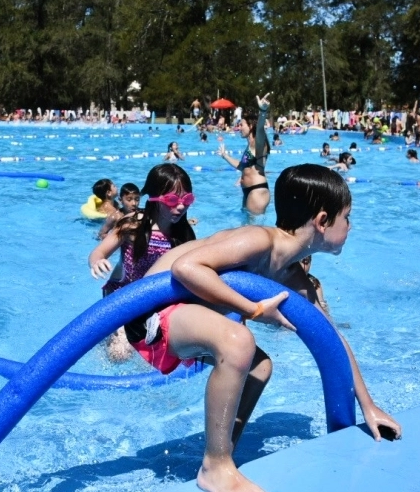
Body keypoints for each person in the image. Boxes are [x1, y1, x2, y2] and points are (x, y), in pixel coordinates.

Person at [130, 164, 400, 492]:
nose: (351, 226)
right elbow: (187, 268)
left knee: (260, 367)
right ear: (323, 221)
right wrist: (253, 309)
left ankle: (220, 452)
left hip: (181, 316)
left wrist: (368, 405)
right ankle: (216, 466)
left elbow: (331, 339)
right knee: (238, 340)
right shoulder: (257, 239)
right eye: (347, 217)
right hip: (148, 315)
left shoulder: (292, 275)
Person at [88, 165, 197, 362]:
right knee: (118, 356)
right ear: (153, 197)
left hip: (156, 300)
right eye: (172, 199)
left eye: (186, 199)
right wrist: (98, 262)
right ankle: (110, 336)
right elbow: (99, 252)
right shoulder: (133, 224)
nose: (181, 206)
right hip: (123, 296)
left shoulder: (184, 234)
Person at [218, 93, 273, 215]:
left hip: (257, 191)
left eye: (241, 125)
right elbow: (243, 166)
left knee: (253, 231)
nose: (239, 128)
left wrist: (262, 111)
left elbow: (259, 130)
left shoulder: (259, 144)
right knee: (246, 227)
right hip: (248, 191)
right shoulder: (250, 145)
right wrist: (225, 156)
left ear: (251, 125)